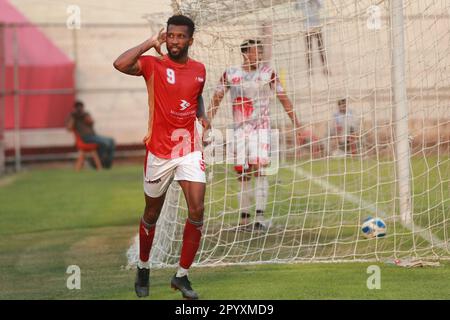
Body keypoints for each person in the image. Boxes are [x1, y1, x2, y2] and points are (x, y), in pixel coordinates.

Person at [113, 15, 208, 300]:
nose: (175, 41)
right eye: (170, 35)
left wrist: (202, 116)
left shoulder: (200, 69)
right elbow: (120, 64)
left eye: (180, 36)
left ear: (190, 40)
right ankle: (143, 268)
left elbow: (196, 94)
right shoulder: (154, 65)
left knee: (197, 210)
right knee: (152, 213)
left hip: (187, 148)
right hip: (158, 152)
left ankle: (181, 276)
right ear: (165, 37)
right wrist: (149, 43)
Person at [208, 39, 314, 232]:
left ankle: (260, 216)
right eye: (256, 52)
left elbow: (284, 99)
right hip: (238, 130)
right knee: (242, 172)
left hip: (262, 130)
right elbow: (216, 99)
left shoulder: (268, 73)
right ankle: (244, 218)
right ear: (245, 53)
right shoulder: (230, 74)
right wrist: (205, 125)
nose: (259, 56)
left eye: (261, 52)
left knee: (259, 169)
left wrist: (298, 125)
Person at [66, 100, 115, 168]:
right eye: (78, 107)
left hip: (93, 136)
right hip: (84, 138)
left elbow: (92, 122)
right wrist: (73, 118)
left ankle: (107, 163)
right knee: (106, 143)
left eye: (81, 107)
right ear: (74, 108)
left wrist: (85, 116)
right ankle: (95, 163)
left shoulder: (86, 114)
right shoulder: (72, 116)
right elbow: (69, 129)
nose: (79, 109)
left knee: (111, 141)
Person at [296, 0, 329, 76]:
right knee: (309, 50)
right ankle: (310, 70)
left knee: (321, 48)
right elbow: (296, 7)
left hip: (317, 27)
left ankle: (325, 68)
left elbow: (322, 5)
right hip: (307, 28)